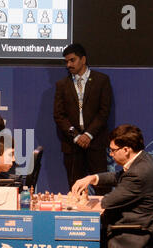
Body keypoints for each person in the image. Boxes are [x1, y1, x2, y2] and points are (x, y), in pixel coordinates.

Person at [72, 124, 153, 248]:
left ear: (126, 149)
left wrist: (83, 202)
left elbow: (108, 202)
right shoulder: (142, 159)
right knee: (86, 243)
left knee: (83, 247)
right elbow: (118, 177)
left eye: (113, 150)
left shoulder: (139, 173)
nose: (111, 154)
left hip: (133, 234)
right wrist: (93, 178)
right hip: (133, 224)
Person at [53, 43, 112, 195]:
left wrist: (88, 134)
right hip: (72, 145)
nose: (68, 65)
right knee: (75, 189)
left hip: (96, 142)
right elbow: (59, 115)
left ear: (83, 59)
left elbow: (104, 112)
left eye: (72, 60)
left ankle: (104, 218)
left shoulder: (101, 81)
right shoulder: (62, 85)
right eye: (66, 61)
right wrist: (77, 136)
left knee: (102, 188)